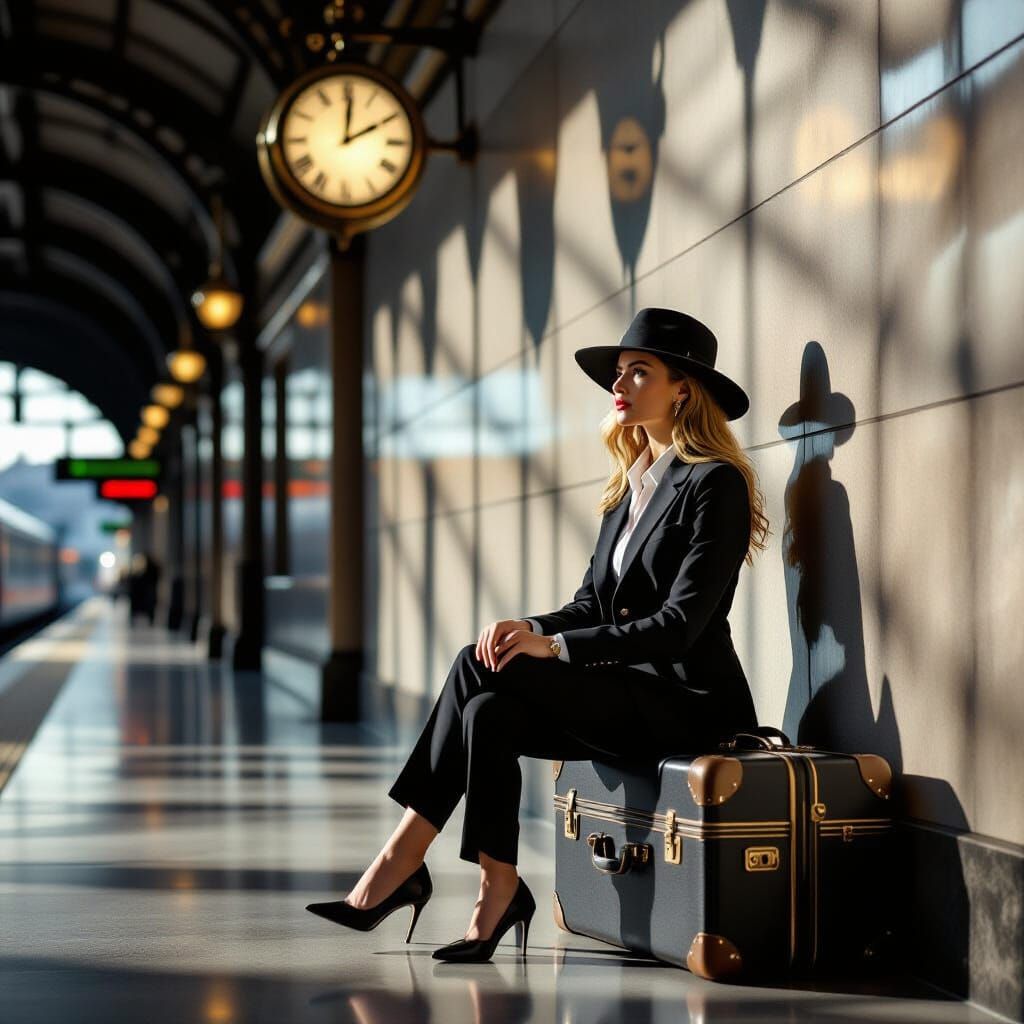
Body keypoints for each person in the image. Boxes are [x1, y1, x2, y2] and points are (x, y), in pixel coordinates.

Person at [306, 307, 770, 962]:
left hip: (687, 706)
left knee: (479, 665)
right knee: (487, 709)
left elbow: (679, 627)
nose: (620, 384)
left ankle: (401, 859)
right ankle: (497, 887)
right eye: (619, 371)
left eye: (640, 371)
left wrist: (554, 648)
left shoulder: (713, 483)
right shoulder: (630, 487)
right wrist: (529, 627)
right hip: (623, 699)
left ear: (683, 390)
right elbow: (591, 604)